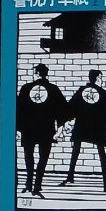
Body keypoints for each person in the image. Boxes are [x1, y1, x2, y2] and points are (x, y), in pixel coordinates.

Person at [16, 63, 67, 198]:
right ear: (45, 74)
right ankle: (37, 186)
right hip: (46, 129)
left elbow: (19, 110)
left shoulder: (26, 88)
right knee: (43, 158)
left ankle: (28, 184)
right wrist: (60, 128)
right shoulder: (53, 89)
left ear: (36, 73)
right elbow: (62, 109)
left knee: (28, 157)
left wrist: (18, 129)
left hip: (28, 129)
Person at [65, 69, 106, 191]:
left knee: (75, 150)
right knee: (102, 153)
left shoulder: (81, 91)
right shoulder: (104, 94)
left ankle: (70, 176)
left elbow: (71, 106)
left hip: (81, 125)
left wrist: (68, 121)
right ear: (97, 78)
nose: (102, 80)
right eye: (101, 78)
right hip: (98, 127)